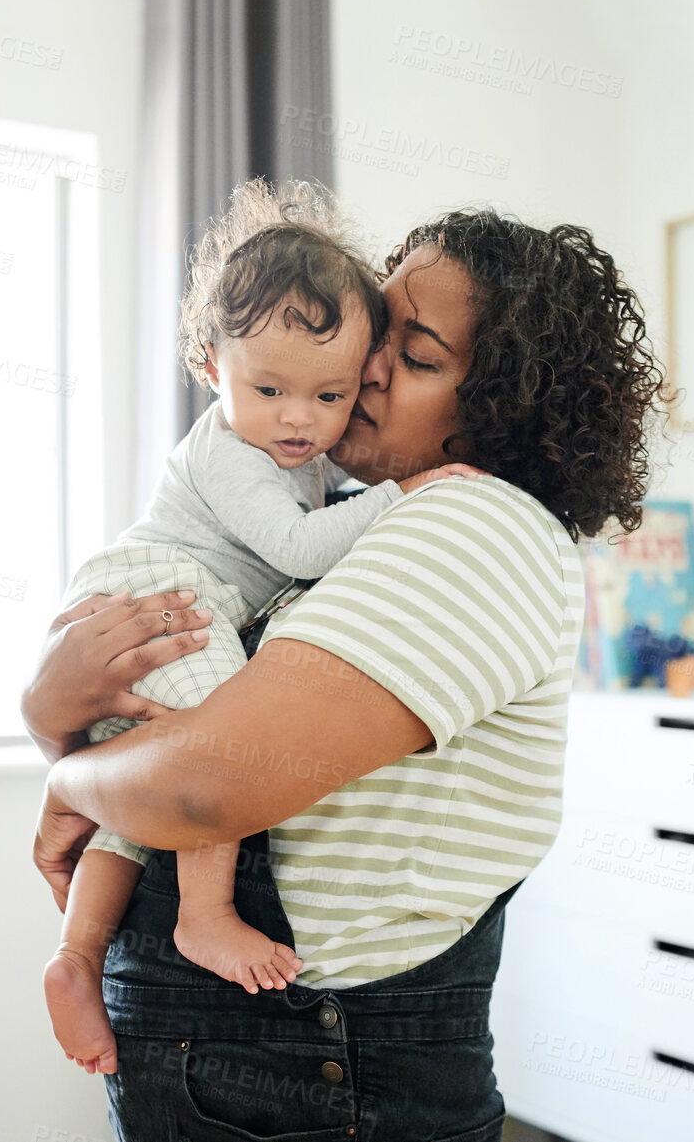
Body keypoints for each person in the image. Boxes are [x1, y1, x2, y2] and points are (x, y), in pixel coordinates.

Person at [24, 208, 668, 1141]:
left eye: (416, 357)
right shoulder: (352, 512)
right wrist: (49, 706)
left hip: (312, 1054)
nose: (365, 367)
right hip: (252, 1043)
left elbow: (205, 781)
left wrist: (65, 772)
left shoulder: (472, 522)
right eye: (377, 332)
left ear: (498, 402)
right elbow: (169, 725)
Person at [41, 179, 479, 1078]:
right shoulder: (231, 450)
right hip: (162, 591)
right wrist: (405, 493)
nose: (298, 418)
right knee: (209, 753)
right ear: (212, 364)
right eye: (269, 387)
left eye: (330, 394)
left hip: (175, 600)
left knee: (147, 810)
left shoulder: (291, 449)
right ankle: (203, 917)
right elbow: (297, 546)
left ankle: (77, 952)